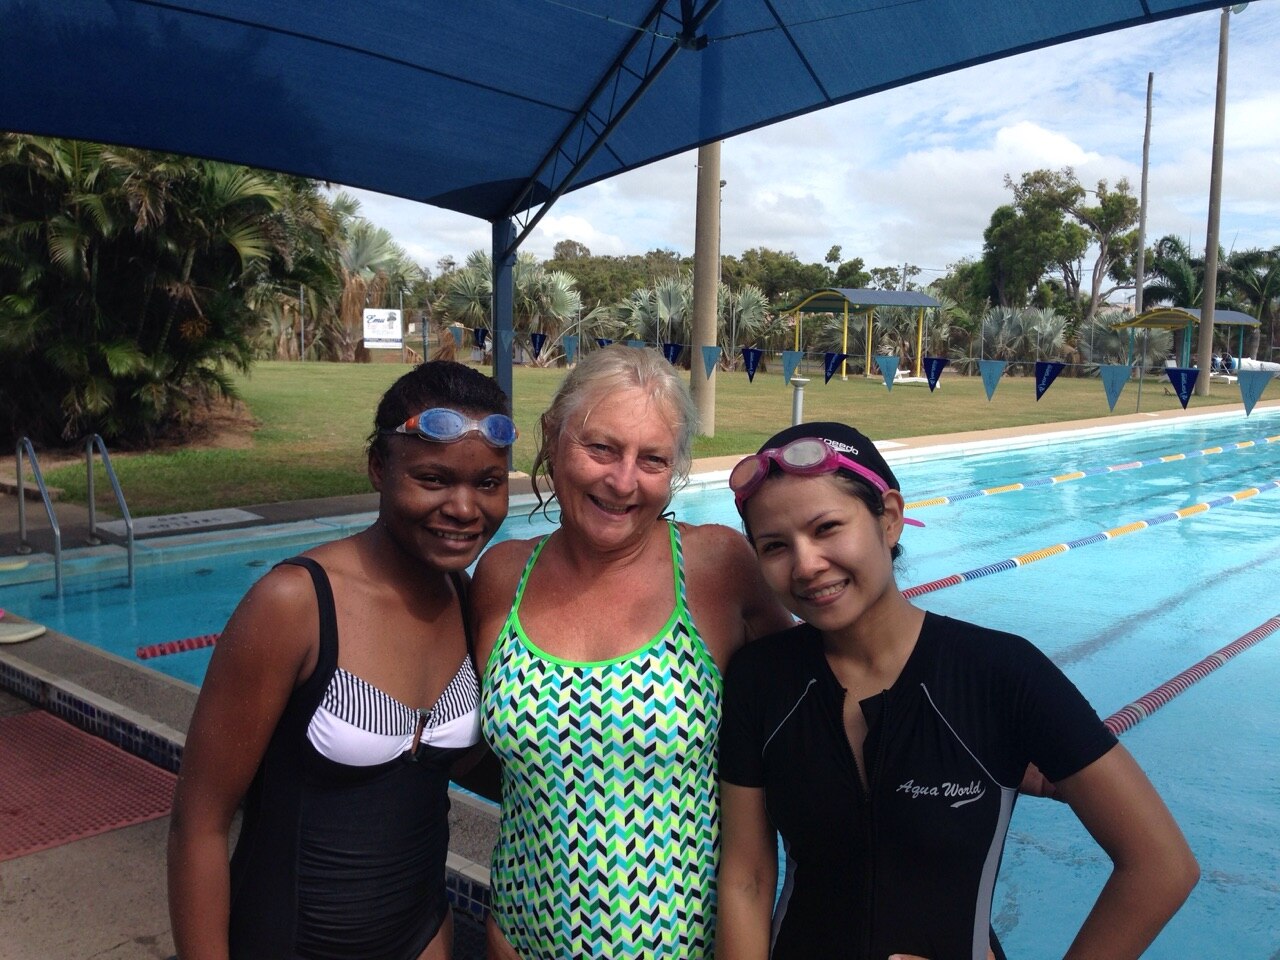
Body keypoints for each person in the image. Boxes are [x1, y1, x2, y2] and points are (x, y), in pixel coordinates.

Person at [715, 422, 1199, 960]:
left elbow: (1161, 865)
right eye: (775, 546)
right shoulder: (760, 680)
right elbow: (748, 877)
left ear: (890, 518)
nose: (806, 565)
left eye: (827, 527)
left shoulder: (1000, 673)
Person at [168, 361, 515, 960]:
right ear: (380, 468)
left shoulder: (465, 600)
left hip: (424, 936)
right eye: (433, 479)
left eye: (488, 483)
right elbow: (198, 827)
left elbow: (457, 764)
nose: (464, 508)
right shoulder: (295, 604)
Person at [471, 345, 794, 959]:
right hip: (518, 938)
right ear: (552, 436)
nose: (622, 482)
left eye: (652, 460)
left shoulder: (715, 567)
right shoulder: (501, 576)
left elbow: (820, 693)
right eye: (601, 448)